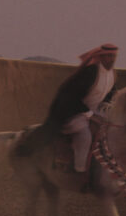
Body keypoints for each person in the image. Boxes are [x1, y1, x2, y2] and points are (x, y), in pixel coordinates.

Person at [44, 43, 119, 172]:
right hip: (73, 111)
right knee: (84, 134)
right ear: (101, 57)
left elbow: (110, 96)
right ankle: (79, 168)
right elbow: (72, 98)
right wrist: (91, 115)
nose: (111, 59)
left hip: (94, 110)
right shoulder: (90, 72)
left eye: (113, 56)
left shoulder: (112, 74)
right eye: (108, 56)